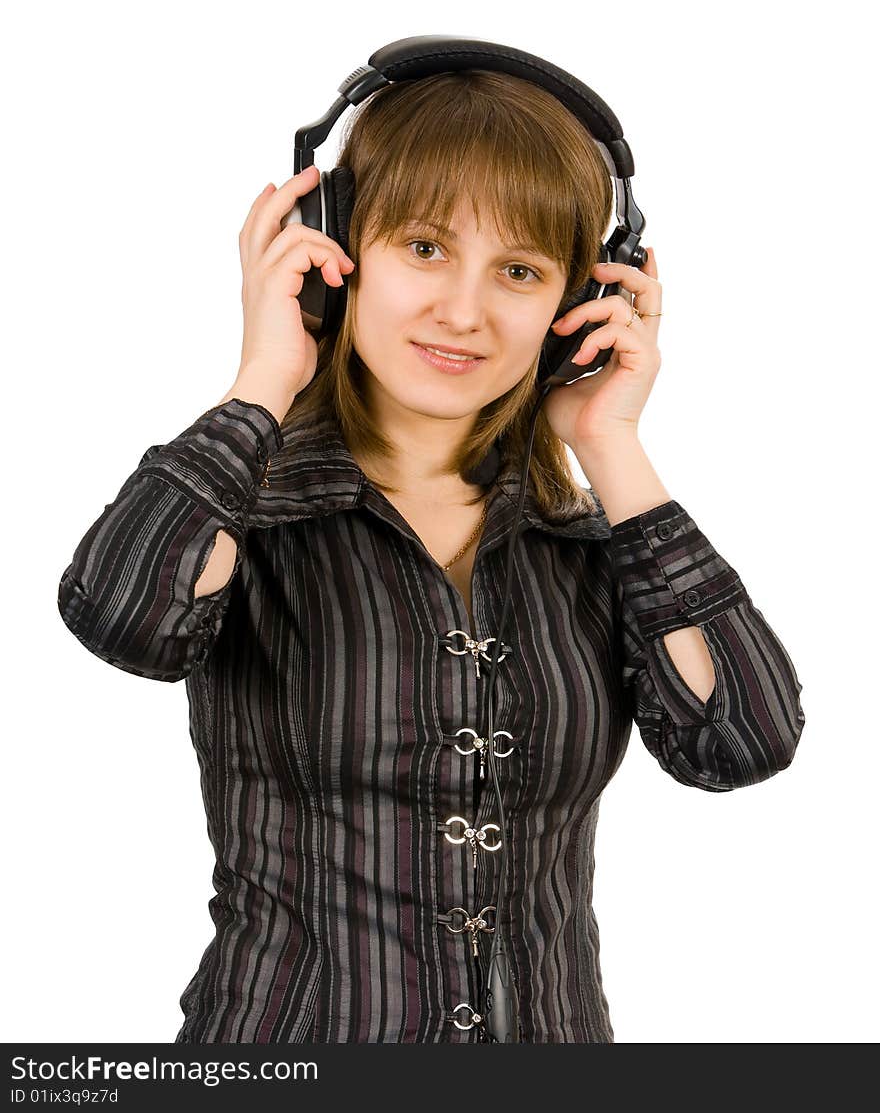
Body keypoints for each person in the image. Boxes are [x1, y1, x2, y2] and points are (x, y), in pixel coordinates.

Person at [57, 69, 806, 1043]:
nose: (464, 311)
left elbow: (741, 737)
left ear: (576, 306)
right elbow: (124, 617)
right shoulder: (247, 518)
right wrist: (265, 377)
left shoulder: (589, 545)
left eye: (520, 271)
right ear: (336, 250)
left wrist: (611, 444)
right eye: (423, 246)